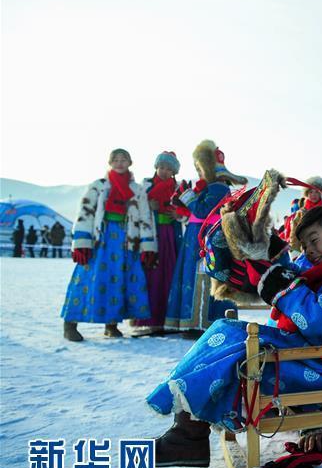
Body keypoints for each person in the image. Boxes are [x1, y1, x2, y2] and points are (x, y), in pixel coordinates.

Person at [147, 205, 322, 467]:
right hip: (309, 355)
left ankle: (189, 435)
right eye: (305, 245)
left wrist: (284, 289)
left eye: (314, 240)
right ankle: (188, 431)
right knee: (226, 330)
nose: (308, 251)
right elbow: (292, 275)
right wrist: (265, 254)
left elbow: (318, 318)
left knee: (239, 351)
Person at [60, 148, 156, 341]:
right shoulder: (99, 186)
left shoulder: (137, 190)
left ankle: (111, 325)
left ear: (130, 162)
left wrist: (147, 246)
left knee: (120, 280)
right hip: (100, 240)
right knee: (87, 277)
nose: (120, 163)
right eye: (116, 160)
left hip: (127, 242)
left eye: (123, 160)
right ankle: (70, 325)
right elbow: (85, 212)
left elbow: (146, 217)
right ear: (110, 163)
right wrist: (81, 243)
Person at [165, 140, 246, 333]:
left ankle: (200, 323)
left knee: (202, 277)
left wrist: (187, 196)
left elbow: (201, 211)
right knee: (195, 277)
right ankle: (194, 322)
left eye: (200, 169)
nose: (199, 173)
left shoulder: (218, 188)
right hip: (196, 235)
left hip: (206, 237)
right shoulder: (210, 187)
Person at [132, 152, 183, 337]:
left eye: (169, 169)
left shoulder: (179, 189)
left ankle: (168, 321)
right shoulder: (145, 187)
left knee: (169, 276)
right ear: (156, 167)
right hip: (149, 236)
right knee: (150, 275)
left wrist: (179, 215)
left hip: (170, 236)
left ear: (174, 171)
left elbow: (187, 211)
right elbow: (133, 207)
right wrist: (147, 205)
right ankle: (148, 321)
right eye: (162, 167)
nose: (164, 171)